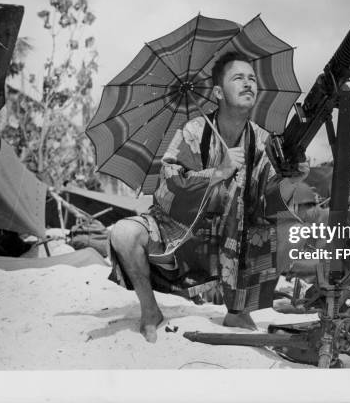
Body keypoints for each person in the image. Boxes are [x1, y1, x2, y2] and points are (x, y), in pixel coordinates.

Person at [108, 51, 310, 342]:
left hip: (236, 237)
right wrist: (218, 172)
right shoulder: (193, 131)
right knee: (123, 234)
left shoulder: (262, 141)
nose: (248, 83)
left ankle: (239, 309)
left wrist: (293, 180)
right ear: (217, 92)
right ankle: (150, 310)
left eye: (252, 78)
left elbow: (270, 199)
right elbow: (169, 183)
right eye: (238, 78)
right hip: (183, 233)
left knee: (292, 229)